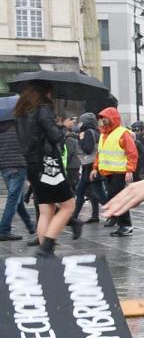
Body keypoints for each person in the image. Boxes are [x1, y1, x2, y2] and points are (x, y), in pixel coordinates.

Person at [14, 81, 81, 255]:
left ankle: (46, 253)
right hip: (48, 163)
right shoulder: (43, 109)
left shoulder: (21, 112)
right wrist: (64, 126)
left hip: (32, 164)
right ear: (46, 92)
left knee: (46, 210)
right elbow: (55, 136)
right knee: (68, 206)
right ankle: (47, 247)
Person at [93, 107, 137, 237]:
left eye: (104, 118)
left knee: (117, 197)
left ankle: (126, 225)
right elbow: (99, 153)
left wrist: (129, 170)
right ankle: (121, 222)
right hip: (109, 172)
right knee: (114, 197)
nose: (101, 121)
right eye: (100, 119)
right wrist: (95, 168)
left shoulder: (122, 133)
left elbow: (132, 153)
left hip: (119, 172)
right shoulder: (103, 135)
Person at [0, 118, 36, 241]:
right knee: (13, 198)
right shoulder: (19, 128)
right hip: (18, 165)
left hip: (4, 167)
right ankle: (4, 230)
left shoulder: (1, 129)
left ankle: (30, 226)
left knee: (17, 198)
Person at [71, 112, 104, 224]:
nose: (80, 123)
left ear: (86, 122)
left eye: (81, 121)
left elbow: (88, 149)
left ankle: (116, 213)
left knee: (85, 192)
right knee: (92, 193)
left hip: (90, 166)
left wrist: (80, 139)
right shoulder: (96, 132)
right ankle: (95, 215)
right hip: (91, 166)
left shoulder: (89, 133)